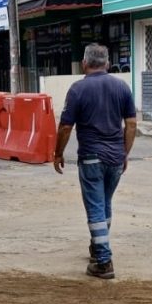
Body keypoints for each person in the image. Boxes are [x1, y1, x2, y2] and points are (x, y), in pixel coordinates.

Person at [53, 43, 137, 280]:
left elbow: (66, 127)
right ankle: (97, 247)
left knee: (95, 207)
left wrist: (58, 153)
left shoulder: (78, 89)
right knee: (104, 204)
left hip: (91, 157)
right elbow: (131, 125)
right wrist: (124, 153)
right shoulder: (122, 87)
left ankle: (103, 261)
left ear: (84, 64)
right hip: (115, 159)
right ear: (107, 64)